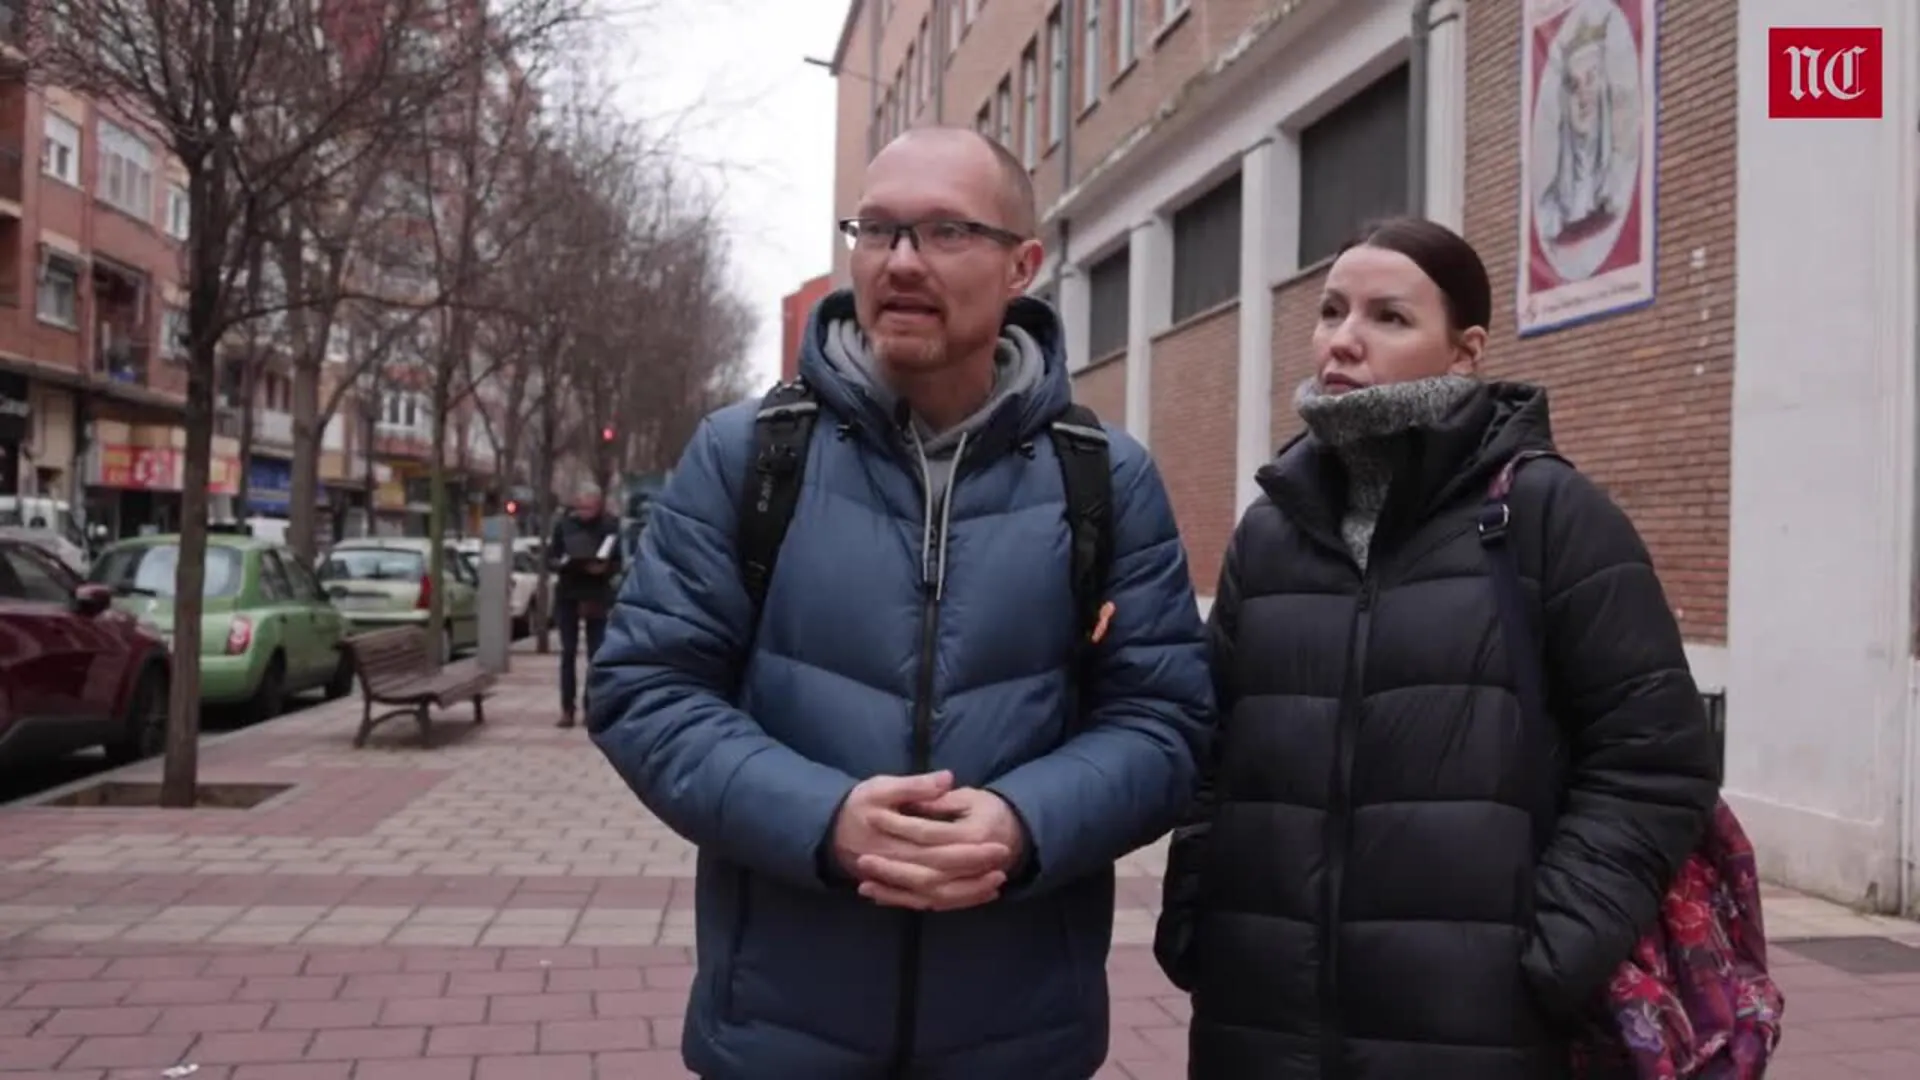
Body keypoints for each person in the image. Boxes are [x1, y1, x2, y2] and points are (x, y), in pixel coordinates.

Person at [587, 126, 1213, 1080]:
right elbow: (644, 689)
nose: (901, 262)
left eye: (945, 232)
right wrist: (822, 818)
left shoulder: (1104, 477)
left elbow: (1164, 720)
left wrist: (1025, 822)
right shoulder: (749, 454)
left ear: (1024, 267)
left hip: (1019, 1034)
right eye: (877, 231)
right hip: (778, 1031)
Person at [1153, 216, 1721, 1080]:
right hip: (1257, 1016)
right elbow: (1213, 749)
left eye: (1388, 318)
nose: (1344, 341)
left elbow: (1656, 760)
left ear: (1466, 351)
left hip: (1481, 1029)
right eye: (1333, 310)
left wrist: (1553, 953)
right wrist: (1197, 914)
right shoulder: (1272, 531)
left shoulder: (1546, 517)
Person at [546, 483, 620, 728]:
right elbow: (550, 559)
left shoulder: (609, 526)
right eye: (581, 507)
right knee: (567, 653)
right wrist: (563, 563)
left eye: (589, 508)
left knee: (595, 655)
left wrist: (604, 568)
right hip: (569, 592)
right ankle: (567, 709)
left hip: (596, 593)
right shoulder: (564, 525)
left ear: (598, 506)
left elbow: (617, 562)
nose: (584, 512)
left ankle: (592, 708)